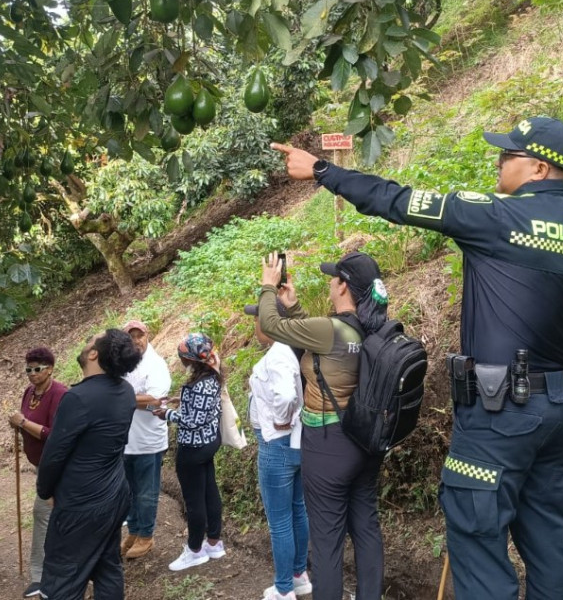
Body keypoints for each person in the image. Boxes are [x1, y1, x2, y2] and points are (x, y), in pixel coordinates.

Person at [272, 116, 563, 600]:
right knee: (547, 545)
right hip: (559, 412)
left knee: (479, 546)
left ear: (539, 168)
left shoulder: (495, 216)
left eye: (509, 155)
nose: (499, 161)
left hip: (498, 417)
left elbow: (396, 200)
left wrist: (323, 170)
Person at [256, 250, 389, 600]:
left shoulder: (331, 329)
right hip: (366, 443)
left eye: (333, 277)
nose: (330, 282)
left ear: (343, 287)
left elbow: (271, 326)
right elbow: (317, 347)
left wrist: (268, 288)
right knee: (366, 528)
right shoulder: (372, 328)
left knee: (328, 540)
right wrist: (295, 306)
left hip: (328, 445)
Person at [35, 329, 142, 600]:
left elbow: (54, 454)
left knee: (62, 578)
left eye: (89, 341)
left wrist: (45, 491)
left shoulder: (78, 398)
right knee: (108, 567)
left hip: (81, 504)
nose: (84, 344)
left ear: (94, 354)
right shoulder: (126, 392)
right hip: (114, 496)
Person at [244, 298, 312, 600]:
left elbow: (285, 397)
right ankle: (299, 576)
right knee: (298, 510)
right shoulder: (288, 350)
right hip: (294, 443)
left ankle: (284, 588)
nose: (255, 324)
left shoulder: (278, 355)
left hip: (276, 445)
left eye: (258, 318)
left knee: (280, 520)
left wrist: (282, 421)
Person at [157, 333, 226, 572]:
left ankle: (195, 549)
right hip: (210, 442)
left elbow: (191, 421)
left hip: (193, 448)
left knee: (194, 500)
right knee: (210, 491)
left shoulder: (198, 385)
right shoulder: (213, 376)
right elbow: (204, 409)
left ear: (191, 360)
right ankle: (214, 542)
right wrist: (182, 399)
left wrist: (165, 414)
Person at [8, 347, 68, 599]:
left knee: (42, 513)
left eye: (37, 369)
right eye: (28, 370)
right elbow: (27, 423)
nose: (32, 374)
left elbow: (54, 434)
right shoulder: (30, 393)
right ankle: (52, 572)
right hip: (40, 465)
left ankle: (41, 577)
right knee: (51, 515)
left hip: (57, 466)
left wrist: (22, 423)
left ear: (50, 369)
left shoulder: (60, 394)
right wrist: (17, 425)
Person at [120, 319, 172, 560]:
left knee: (146, 491)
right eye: (130, 336)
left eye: (138, 335)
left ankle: (146, 535)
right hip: (125, 439)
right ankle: (133, 530)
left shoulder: (156, 364)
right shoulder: (124, 363)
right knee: (128, 490)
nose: (135, 340)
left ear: (147, 335)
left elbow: (155, 399)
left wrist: (121, 396)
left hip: (148, 440)